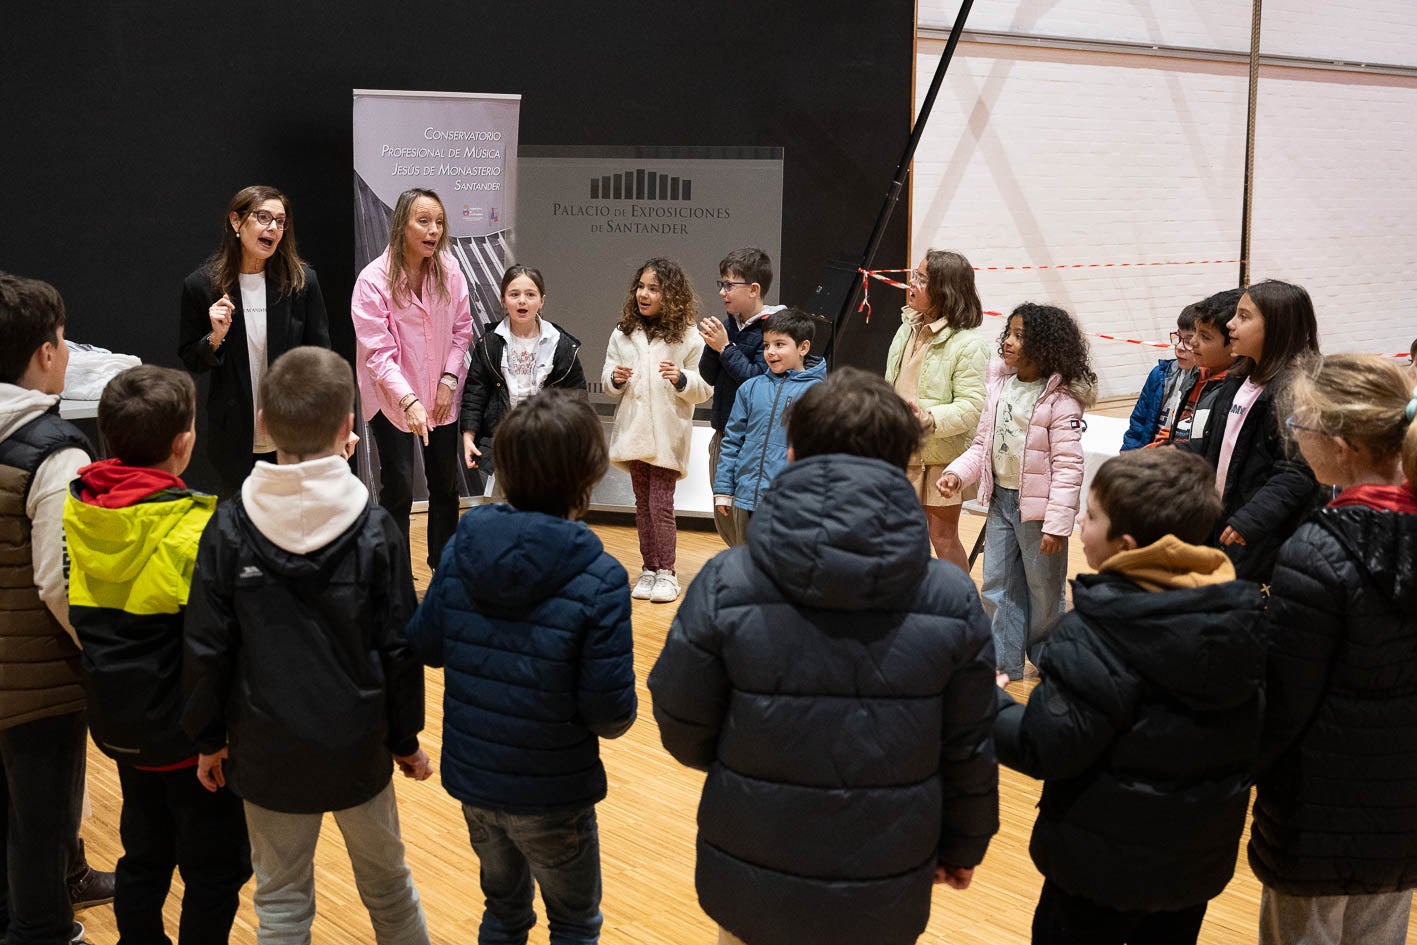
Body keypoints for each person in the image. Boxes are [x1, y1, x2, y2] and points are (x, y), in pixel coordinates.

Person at [649, 367, 998, 945]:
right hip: (884, 880)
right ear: (904, 463)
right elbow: (969, 743)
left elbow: (682, 723)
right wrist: (964, 843)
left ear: (790, 453)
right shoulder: (952, 596)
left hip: (752, 866)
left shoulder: (726, 581)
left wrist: (745, 758)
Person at [183, 346, 433, 945]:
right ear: (350, 426)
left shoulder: (228, 525)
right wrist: (404, 740)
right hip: (359, 750)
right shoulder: (376, 529)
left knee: (281, 903)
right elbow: (400, 645)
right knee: (391, 892)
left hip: (264, 753)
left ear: (262, 421)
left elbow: (206, 646)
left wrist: (208, 739)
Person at [994, 448, 1265, 945]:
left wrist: (986, 706)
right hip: (1191, 871)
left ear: (1127, 545)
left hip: (1096, 874)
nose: (1078, 522)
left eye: (1091, 516)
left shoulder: (1096, 631)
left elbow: (1046, 746)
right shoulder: (1243, 622)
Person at [407, 389, 637, 945]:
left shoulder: (462, 546)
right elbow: (611, 715)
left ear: (503, 465)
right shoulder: (600, 576)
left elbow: (426, 644)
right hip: (555, 792)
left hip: (475, 782)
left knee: (504, 915)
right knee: (575, 923)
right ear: (588, 473)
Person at [63, 365, 251, 944]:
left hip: (120, 723)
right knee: (216, 870)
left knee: (143, 854)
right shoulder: (198, 527)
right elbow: (215, 648)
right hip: (190, 738)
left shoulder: (81, 507)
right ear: (184, 442)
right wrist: (216, 735)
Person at [1250, 354, 1417, 944]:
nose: (1295, 439)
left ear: (1342, 445)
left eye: (1301, 428)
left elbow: (1284, 705)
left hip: (1316, 807)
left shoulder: (1317, 550)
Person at [0, 272, 98, 945]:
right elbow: (59, 583)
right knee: (40, 822)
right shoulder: (56, 450)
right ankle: (43, 931)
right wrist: (102, 650)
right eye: (62, 340)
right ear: (43, 351)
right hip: (39, 683)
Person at [939, 303, 1095, 680]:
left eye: (1019, 336)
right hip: (1000, 503)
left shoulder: (1061, 401)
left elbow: (1069, 468)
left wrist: (1058, 524)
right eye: (1008, 333)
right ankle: (1002, 662)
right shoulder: (1000, 386)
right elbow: (982, 445)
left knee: (1044, 591)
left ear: (1044, 346)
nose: (1008, 342)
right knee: (996, 583)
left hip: (1039, 514)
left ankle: (1048, 659)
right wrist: (957, 473)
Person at [177, 184, 331, 496]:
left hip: (291, 429)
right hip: (234, 432)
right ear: (236, 221)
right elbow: (191, 358)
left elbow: (321, 357)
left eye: (280, 221)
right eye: (263, 217)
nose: (273, 228)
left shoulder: (301, 283)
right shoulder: (201, 285)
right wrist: (215, 337)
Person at [352, 187, 473, 571]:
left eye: (439, 222)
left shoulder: (450, 271)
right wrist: (409, 400)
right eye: (424, 221)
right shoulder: (373, 280)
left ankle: (445, 568)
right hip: (391, 400)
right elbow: (378, 355)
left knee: (445, 486)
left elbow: (462, 331)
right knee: (400, 487)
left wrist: (449, 380)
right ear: (402, 224)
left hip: (441, 395)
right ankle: (395, 576)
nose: (433, 230)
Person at [1181, 279, 1324, 582]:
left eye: (1244, 317)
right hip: (1221, 520)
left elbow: (1297, 471)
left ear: (1277, 327)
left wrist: (1252, 518)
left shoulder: (1296, 389)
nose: (1231, 324)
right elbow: (1216, 448)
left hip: (1259, 535)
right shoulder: (1236, 379)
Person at [602, 257, 711, 604]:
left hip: (667, 434)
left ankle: (667, 572)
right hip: (634, 432)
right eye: (641, 287)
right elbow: (607, 380)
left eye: (654, 288)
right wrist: (614, 380)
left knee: (660, 504)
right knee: (641, 504)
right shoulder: (623, 332)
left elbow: (704, 387)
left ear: (672, 294)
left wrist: (680, 379)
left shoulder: (689, 337)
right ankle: (649, 569)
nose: (644, 294)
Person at [884, 248, 989, 570]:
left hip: (939, 456)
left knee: (941, 536)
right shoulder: (906, 327)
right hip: (900, 449)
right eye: (914, 275)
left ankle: (959, 606)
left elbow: (973, 407)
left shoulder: (968, 343)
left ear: (944, 289)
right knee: (898, 535)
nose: (911, 283)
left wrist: (930, 418)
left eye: (921, 278)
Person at [460, 264, 587, 485]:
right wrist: (468, 436)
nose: (522, 301)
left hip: (548, 443)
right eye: (514, 294)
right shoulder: (490, 343)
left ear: (542, 300)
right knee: (510, 507)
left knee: (545, 507)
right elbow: (475, 393)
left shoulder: (560, 344)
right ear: (503, 299)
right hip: (504, 441)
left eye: (530, 294)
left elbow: (577, 399)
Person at [698, 247, 786, 547]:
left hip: (754, 441)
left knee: (747, 520)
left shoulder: (774, 330)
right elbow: (709, 377)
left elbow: (758, 383)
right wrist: (713, 346)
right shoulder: (727, 326)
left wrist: (725, 348)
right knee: (724, 514)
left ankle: (752, 579)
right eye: (721, 284)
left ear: (754, 289)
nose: (723, 292)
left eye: (729, 285)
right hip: (723, 434)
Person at [712, 307, 826, 538]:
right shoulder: (750, 388)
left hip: (792, 503)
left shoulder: (819, 393)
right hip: (749, 497)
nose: (771, 352)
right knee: (751, 561)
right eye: (766, 345)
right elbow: (733, 441)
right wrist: (724, 488)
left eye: (780, 344)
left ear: (803, 347)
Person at [1150, 288, 1241, 449]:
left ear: (1233, 344)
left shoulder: (1233, 392)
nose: (1193, 343)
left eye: (1204, 337)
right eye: (1195, 334)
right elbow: (1173, 429)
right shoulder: (1195, 377)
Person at [1121, 303, 1197, 450]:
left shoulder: (1208, 386)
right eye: (1178, 337)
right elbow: (1138, 425)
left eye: (1189, 341)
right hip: (1149, 461)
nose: (1180, 347)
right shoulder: (1160, 375)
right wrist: (1129, 459)